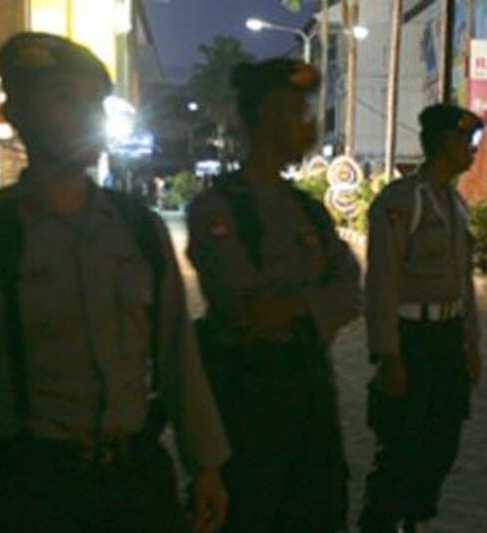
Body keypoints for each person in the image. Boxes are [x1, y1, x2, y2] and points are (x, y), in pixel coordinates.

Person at [0, 32, 230, 533]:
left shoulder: (139, 230)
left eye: (93, 101)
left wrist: (207, 465)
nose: (87, 115)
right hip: (25, 490)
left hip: (131, 479)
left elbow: (179, 357)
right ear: (18, 113)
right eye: (63, 98)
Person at [186, 58, 361, 532]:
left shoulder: (306, 210)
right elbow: (242, 305)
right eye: (296, 110)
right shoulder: (218, 209)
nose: (308, 122)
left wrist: (294, 306)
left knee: (319, 513)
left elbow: (350, 289)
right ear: (266, 115)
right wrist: (312, 301)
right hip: (248, 397)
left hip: (310, 391)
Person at [359, 104, 484, 533]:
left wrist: (472, 344)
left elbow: (464, 283)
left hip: (447, 338)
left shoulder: (455, 203)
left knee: (442, 444)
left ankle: (418, 520)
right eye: (465, 142)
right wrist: (387, 354)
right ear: (443, 143)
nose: (471, 151)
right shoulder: (401, 201)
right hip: (411, 340)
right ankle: (379, 524)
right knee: (399, 450)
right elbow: (381, 283)